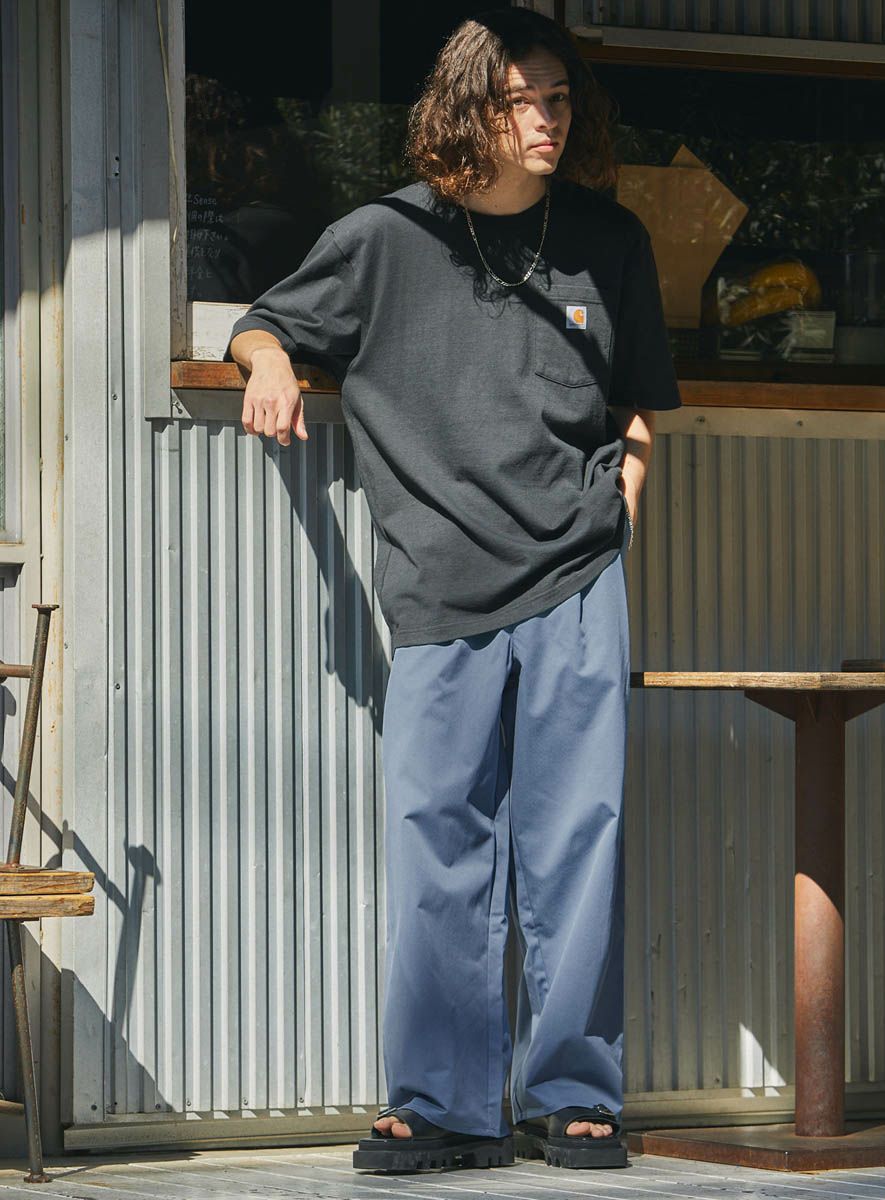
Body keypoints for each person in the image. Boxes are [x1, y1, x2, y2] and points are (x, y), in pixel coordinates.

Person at [227, 7, 681, 1175]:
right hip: (436, 580)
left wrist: (622, 501)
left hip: (576, 574)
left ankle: (573, 1096)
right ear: (468, 108)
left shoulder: (608, 239)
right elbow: (266, 322)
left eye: (559, 98)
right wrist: (270, 365)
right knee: (439, 839)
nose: (547, 119)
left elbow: (638, 403)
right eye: (524, 99)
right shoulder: (385, 237)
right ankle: (443, 1106)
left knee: (577, 838)